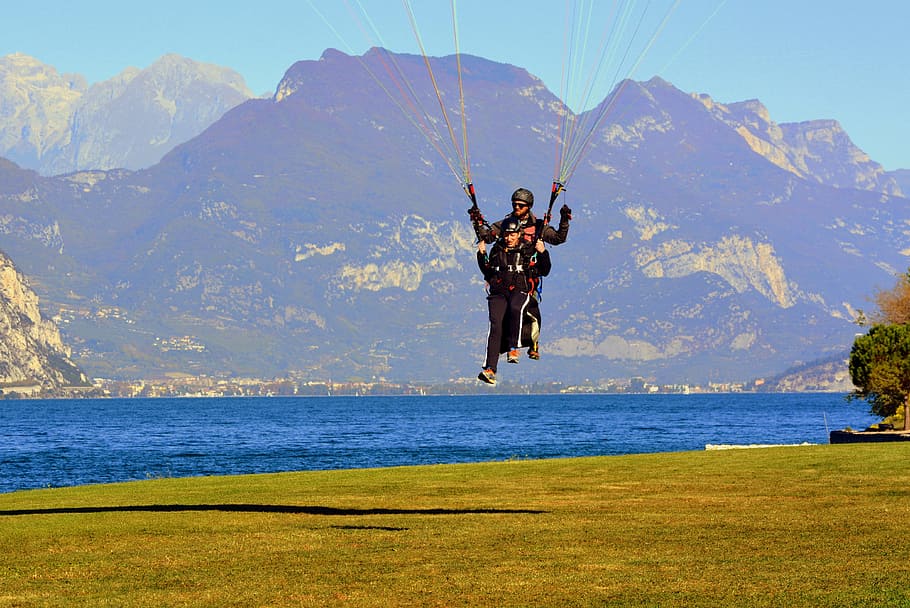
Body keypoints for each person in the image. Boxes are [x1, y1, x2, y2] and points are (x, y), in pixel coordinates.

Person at [472, 187, 571, 360]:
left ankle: (532, 341)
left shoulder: (538, 227)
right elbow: (488, 237)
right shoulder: (505, 225)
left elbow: (558, 239)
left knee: (523, 309)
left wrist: (564, 220)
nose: (516, 208)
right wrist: (477, 223)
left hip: (527, 275)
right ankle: (510, 349)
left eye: (520, 205)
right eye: (514, 205)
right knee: (506, 315)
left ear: (529, 207)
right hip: (507, 276)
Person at [476, 219, 551, 385]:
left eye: (513, 235)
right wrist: (481, 255)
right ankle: (490, 369)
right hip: (499, 291)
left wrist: (543, 252)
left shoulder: (527, 249)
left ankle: (513, 348)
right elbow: (487, 272)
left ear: (519, 234)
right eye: (507, 234)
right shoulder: (496, 250)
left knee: (515, 308)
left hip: (520, 289)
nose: (509, 238)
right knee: (495, 324)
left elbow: (544, 270)